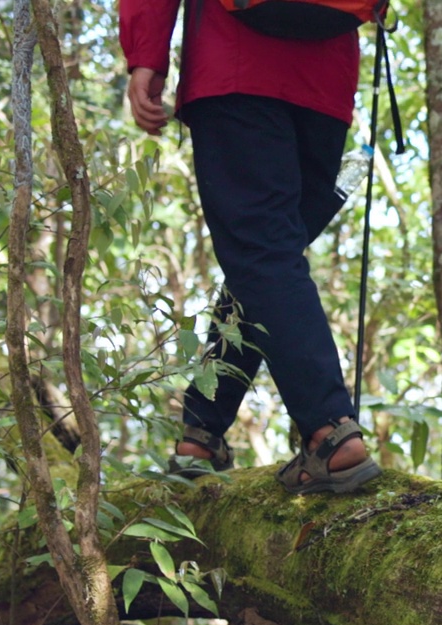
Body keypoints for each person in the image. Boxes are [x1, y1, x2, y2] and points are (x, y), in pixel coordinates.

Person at [120, 0, 381, 493]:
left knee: (263, 255)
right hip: (326, 77)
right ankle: (201, 434)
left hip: (234, 65)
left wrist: (146, 57)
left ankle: (329, 433)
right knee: (268, 257)